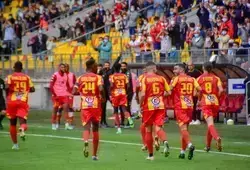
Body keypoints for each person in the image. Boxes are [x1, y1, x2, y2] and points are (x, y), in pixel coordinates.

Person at [73, 58, 105, 161]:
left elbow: (74, 91)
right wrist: (103, 97)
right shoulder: (98, 77)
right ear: (92, 67)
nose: (97, 68)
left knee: (86, 127)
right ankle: (94, 155)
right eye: (96, 66)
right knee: (95, 128)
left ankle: (86, 141)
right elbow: (101, 89)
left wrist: (82, 93)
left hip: (85, 104)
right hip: (95, 105)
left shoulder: (80, 78)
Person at [170, 63, 201, 160]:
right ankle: (182, 152)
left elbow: (169, 90)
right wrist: (197, 97)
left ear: (182, 70)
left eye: (176, 69)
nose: (174, 71)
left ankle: (190, 145)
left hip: (180, 106)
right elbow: (199, 89)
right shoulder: (192, 79)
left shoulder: (176, 79)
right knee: (184, 130)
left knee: (183, 129)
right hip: (190, 105)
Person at [140, 61, 170, 160]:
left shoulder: (145, 79)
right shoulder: (162, 78)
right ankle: (165, 141)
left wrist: (141, 104)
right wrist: (160, 96)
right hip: (160, 105)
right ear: (153, 69)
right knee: (158, 128)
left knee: (148, 129)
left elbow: (143, 94)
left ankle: (151, 155)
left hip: (149, 106)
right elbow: (169, 92)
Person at [5, 61, 35, 149]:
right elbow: (33, 89)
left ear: (14, 68)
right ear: (22, 68)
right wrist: (25, 90)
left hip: (12, 101)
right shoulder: (27, 77)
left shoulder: (10, 77)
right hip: (22, 101)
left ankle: (15, 144)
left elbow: (7, 87)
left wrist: (9, 94)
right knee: (23, 122)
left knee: (12, 123)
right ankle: (22, 128)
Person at [197, 62, 223, 152]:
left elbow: (198, 91)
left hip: (206, 103)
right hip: (215, 102)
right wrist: (216, 97)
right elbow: (221, 90)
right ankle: (208, 146)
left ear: (203, 68)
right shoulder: (216, 78)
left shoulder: (199, 78)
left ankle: (217, 137)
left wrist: (199, 100)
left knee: (210, 124)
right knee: (210, 125)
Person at [109, 63, 134, 134]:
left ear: (114, 69)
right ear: (120, 68)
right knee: (124, 109)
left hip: (116, 94)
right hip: (123, 92)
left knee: (115, 111)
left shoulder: (112, 76)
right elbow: (128, 85)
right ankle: (129, 118)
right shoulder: (124, 75)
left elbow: (111, 85)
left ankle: (119, 128)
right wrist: (124, 90)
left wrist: (111, 92)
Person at [50, 63, 72, 130]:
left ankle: (67, 124)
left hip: (64, 95)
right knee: (55, 109)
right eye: (62, 67)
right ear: (59, 68)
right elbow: (51, 85)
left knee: (66, 108)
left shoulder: (66, 75)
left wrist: (69, 92)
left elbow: (67, 85)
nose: (63, 68)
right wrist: (54, 94)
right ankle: (53, 124)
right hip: (56, 95)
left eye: (64, 67)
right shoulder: (55, 75)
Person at [186, 61, 202, 125]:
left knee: (197, 105)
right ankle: (192, 119)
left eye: (190, 65)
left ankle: (198, 119)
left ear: (193, 65)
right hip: (190, 92)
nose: (189, 67)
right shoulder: (187, 73)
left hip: (196, 91)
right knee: (191, 106)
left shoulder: (197, 72)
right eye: (188, 65)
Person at [120, 62, 134, 127]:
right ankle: (122, 122)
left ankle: (129, 122)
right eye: (122, 66)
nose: (123, 67)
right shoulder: (120, 73)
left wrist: (126, 93)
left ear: (126, 67)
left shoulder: (128, 73)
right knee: (121, 107)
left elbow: (128, 85)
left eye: (124, 66)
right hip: (122, 93)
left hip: (128, 93)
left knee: (127, 107)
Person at [65, 64, 76, 128]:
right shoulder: (60, 75)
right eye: (65, 67)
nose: (66, 68)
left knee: (71, 108)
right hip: (63, 93)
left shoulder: (72, 75)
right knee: (62, 108)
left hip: (70, 93)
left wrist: (73, 91)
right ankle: (59, 122)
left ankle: (70, 122)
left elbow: (75, 83)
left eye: (67, 67)